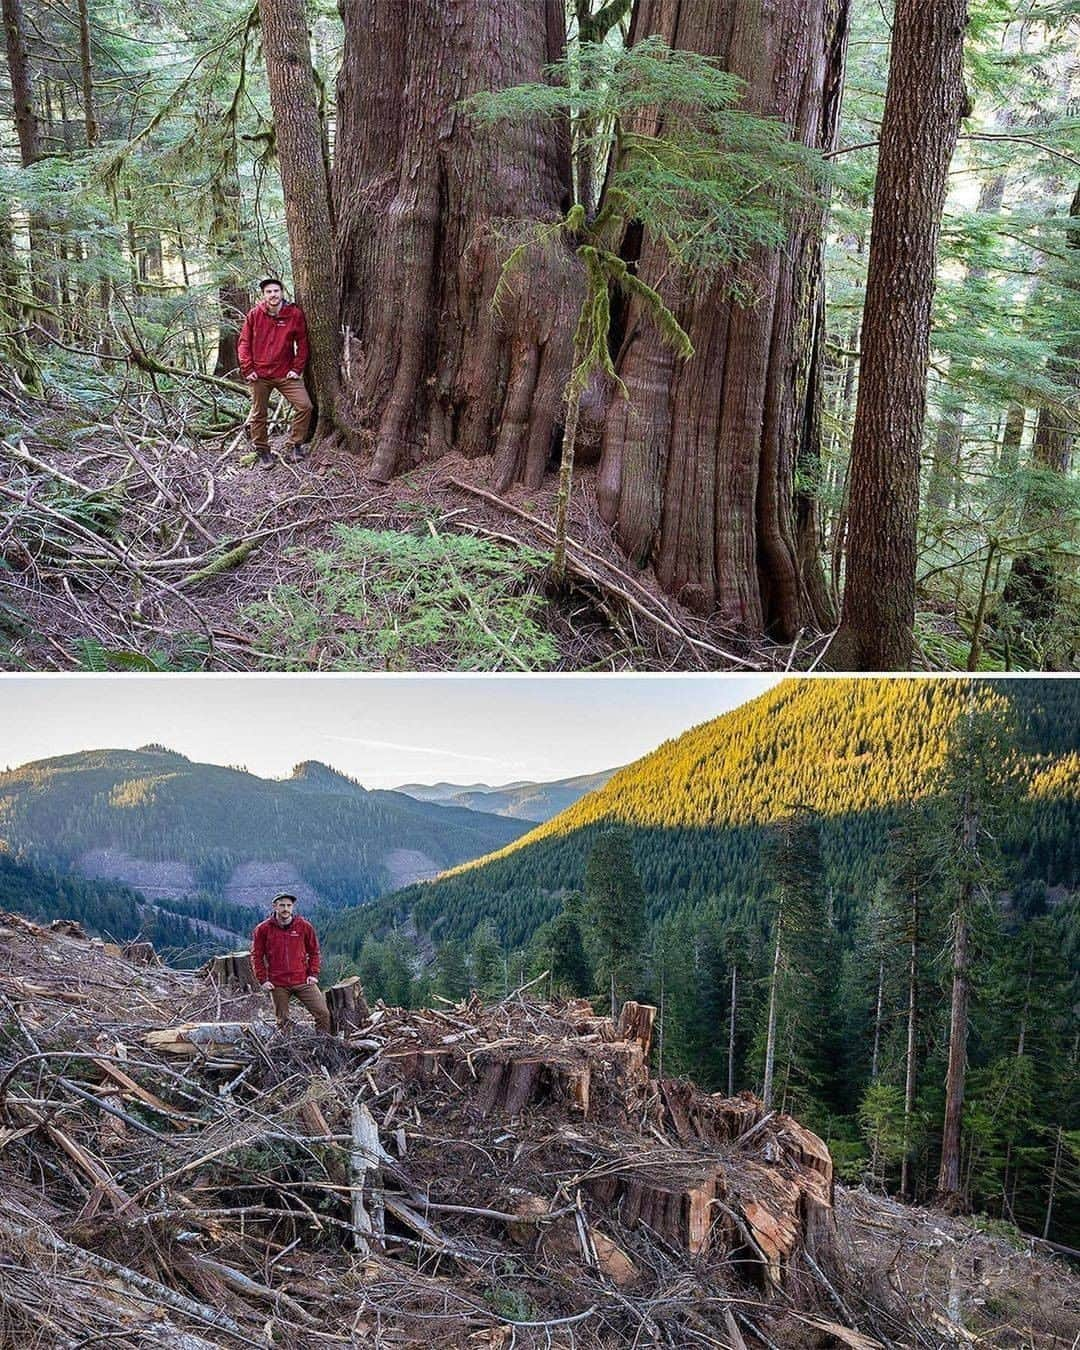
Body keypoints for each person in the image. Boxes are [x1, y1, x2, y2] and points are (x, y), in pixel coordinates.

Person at [237, 278, 313, 469]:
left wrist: (296, 369)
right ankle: (262, 451)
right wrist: (248, 369)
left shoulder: (293, 314)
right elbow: (244, 343)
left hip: (284, 373)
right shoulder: (254, 315)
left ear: (282, 292)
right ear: (264, 295)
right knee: (258, 414)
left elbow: (303, 343)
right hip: (259, 375)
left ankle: (295, 445)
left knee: (305, 406)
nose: (273, 295)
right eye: (269, 292)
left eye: (276, 291)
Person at [250, 892, 331, 1031]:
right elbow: (256, 956)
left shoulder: (304, 926)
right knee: (283, 1022)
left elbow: (314, 952)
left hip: (303, 980)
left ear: (293, 907)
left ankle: (322, 1045)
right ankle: (287, 1050)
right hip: (278, 984)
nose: (285, 909)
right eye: (282, 905)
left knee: (323, 1014)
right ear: (275, 906)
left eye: (289, 905)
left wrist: (313, 973)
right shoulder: (263, 929)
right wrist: (263, 980)